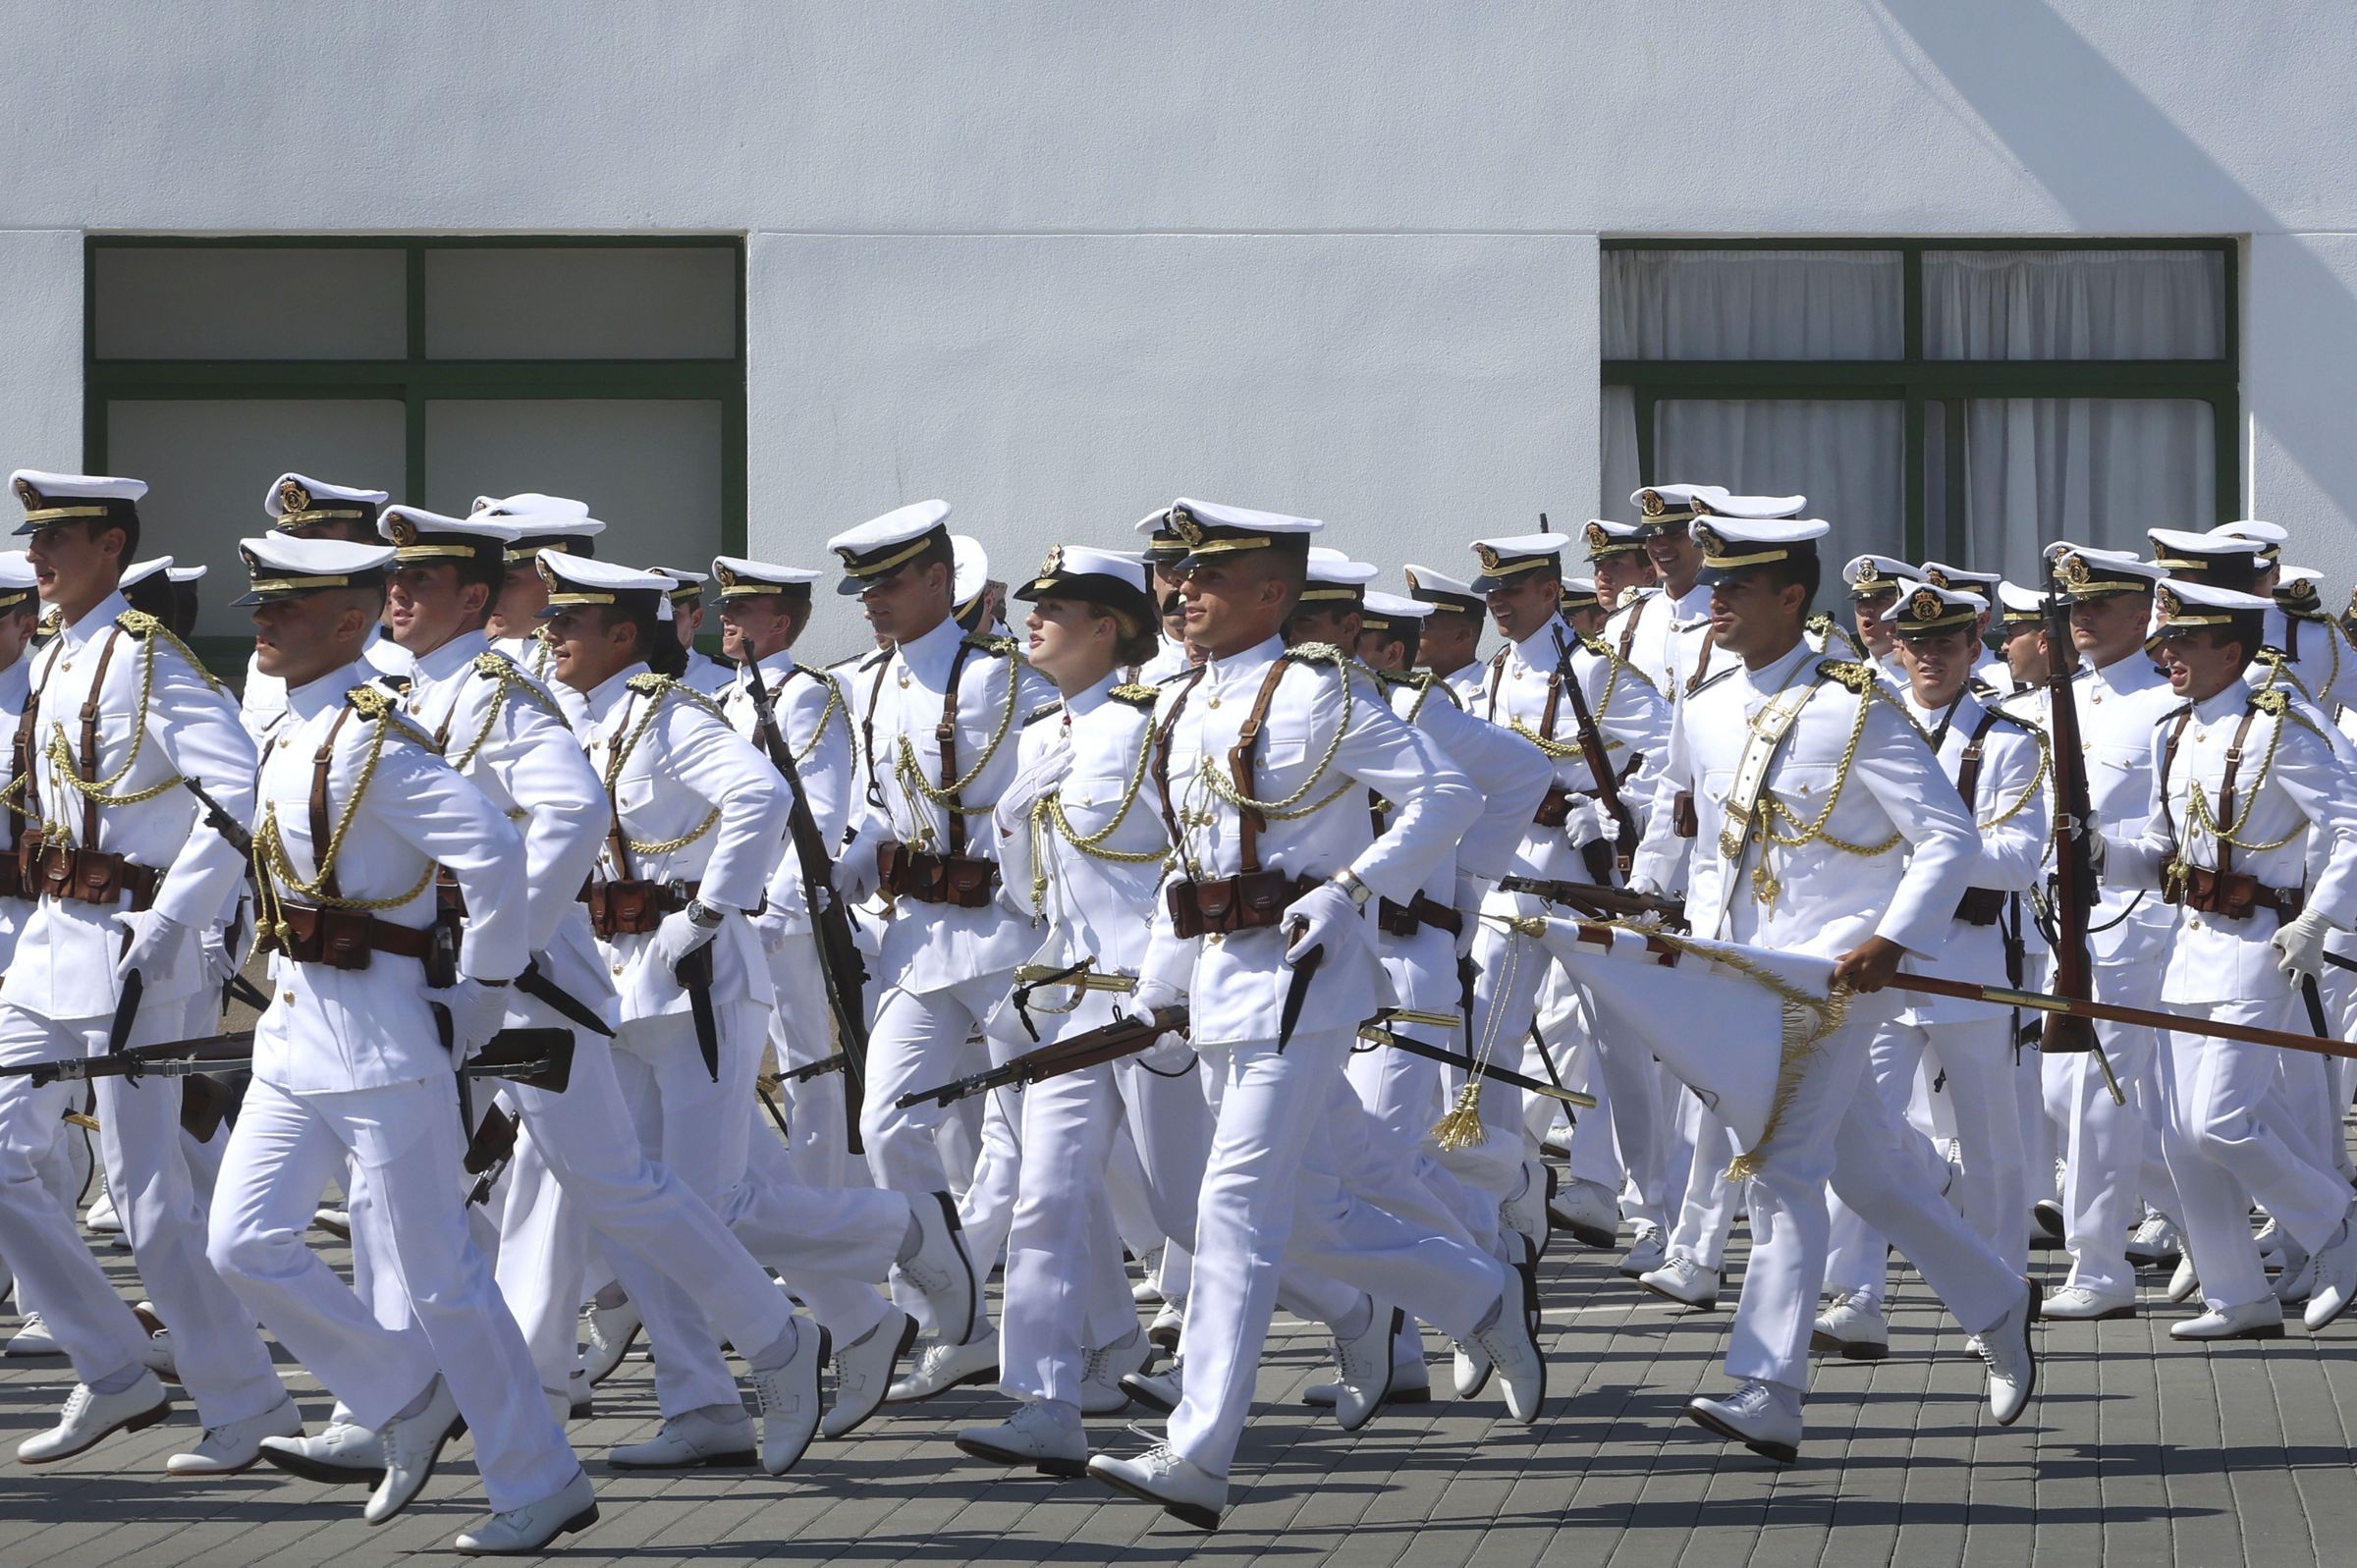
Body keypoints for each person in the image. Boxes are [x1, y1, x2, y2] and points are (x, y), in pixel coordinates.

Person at [1086, 498, 1544, 1531]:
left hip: (1305, 985)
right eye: (1182, 575)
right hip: (1220, 984)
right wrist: (1159, 989)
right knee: (1313, 1211)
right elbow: (1188, 866)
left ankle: (1200, 1451)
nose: (1183, 591)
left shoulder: (1320, 693)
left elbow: (1445, 798)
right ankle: (1479, 1295)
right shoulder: (1181, 702)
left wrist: (1351, 885)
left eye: (1209, 576)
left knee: (1236, 1210)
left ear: (1272, 593)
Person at [203, 532, 596, 1552]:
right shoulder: (290, 729)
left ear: (351, 618)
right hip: (294, 1036)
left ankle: (539, 1474)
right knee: (241, 1241)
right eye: (263, 605)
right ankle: (400, 1392)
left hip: (383, 1039)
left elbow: (499, 848)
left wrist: (486, 988)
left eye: (286, 607)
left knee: (440, 1277)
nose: (264, 623)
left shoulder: (376, 735)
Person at [1625, 514, 2038, 1464]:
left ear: (1790, 599)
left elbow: (1949, 838)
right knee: (1871, 1170)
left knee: (1780, 1166)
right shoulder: (1707, 705)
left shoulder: (1856, 707)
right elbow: (1702, 844)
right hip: (1743, 975)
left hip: (1836, 979)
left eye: (1737, 585)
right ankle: (1996, 1297)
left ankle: (1767, 1385)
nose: (1714, 598)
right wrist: (1689, 943)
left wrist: (1893, 938)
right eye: (1712, 583)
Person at [0, 470, 294, 1474]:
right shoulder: (60, 655)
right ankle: (117, 1364)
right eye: (33, 540)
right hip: (51, 942)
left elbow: (237, 788)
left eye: (61, 540)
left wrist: (175, 922)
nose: (38, 557)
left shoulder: (145, 657)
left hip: (132, 949)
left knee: (148, 1195)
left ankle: (247, 1401)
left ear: (113, 550)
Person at [951, 544, 1211, 1476]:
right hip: (1070, 1004)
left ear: (1109, 627)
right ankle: (1044, 1400)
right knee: (1047, 1197)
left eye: (1056, 607)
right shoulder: (1037, 738)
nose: (1035, 618)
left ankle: (1372, 1313)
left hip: (1151, 1006)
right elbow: (1033, 899)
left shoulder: (1156, 726)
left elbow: (1194, 857)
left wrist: (1167, 983)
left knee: (1190, 1208)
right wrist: (1014, 821)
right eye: (1035, 605)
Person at [827, 501, 1051, 1396]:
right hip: (921, 940)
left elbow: (1053, 781)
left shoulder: (1002, 677)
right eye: (864, 587)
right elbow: (883, 794)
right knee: (885, 1122)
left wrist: (1028, 882)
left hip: (1002, 934)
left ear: (937, 581)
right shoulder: (874, 682)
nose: (872, 601)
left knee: (1047, 1146)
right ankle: (951, 1305)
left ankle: (1100, 1340)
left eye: (888, 583)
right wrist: (855, 851)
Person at [2097, 577, 2357, 1338]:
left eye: (2184, 641)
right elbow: (2160, 853)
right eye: (2166, 640)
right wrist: (2094, 851)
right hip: (2190, 947)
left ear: (2231, 648)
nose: (2166, 653)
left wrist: (2319, 918)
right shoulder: (2172, 732)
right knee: (2182, 1136)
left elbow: (2349, 829)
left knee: (2220, 1123)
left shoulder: (2284, 728)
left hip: (2260, 946)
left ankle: (2337, 1226)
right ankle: (2235, 1291)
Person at [1815, 581, 2048, 1352]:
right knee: (1859, 1125)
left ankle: (2000, 1291)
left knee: (1991, 1146)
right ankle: (1857, 1293)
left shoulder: (2007, 739)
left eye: (1945, 644)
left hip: (1969, 961)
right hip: (1883, 961)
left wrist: (1934, 855)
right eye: (1915, 646)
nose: (1927, 658)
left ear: (1972, 649)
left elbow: (2018, 858)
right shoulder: (1865, 728)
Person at [2027, 546, 2188, 1317]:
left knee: (2095, 1097)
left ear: (2145, 610)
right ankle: (2207, 1225)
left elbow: (2175, 836)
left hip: (2135, 926)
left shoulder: (2165, 706)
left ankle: (2098, 1267)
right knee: (2070, 1098)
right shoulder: (2050, 702)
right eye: (2072, 604)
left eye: (2098, 603)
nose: (2080, 616)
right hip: (2055, 927)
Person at [710, 555, 857, 1187]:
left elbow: (818, 815)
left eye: (740, 609)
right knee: (732, 1062)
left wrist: (781, 908)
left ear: (779, 623)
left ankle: (820, 1200)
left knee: (807, 1061)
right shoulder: (722, 696)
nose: (726, 617)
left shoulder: (803, 694)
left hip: (780, 913)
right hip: (730, 907)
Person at [238, 474, 410, 734]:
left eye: (315, 536)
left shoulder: (406, 651)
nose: (296, 550)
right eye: (290, 538)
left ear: (365, 548)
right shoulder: (266, 659)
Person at [1400, 565, 1486, 705]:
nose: (1412, 634)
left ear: (1461, 635)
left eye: (1423, 625)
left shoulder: (1491, 695)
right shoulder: (1415, 692)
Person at [652, 568, 737, 695]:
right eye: (650, 615)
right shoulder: (621, 676)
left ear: (696, 619)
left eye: (672, 613)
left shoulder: (727, 681)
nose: (660, 623)